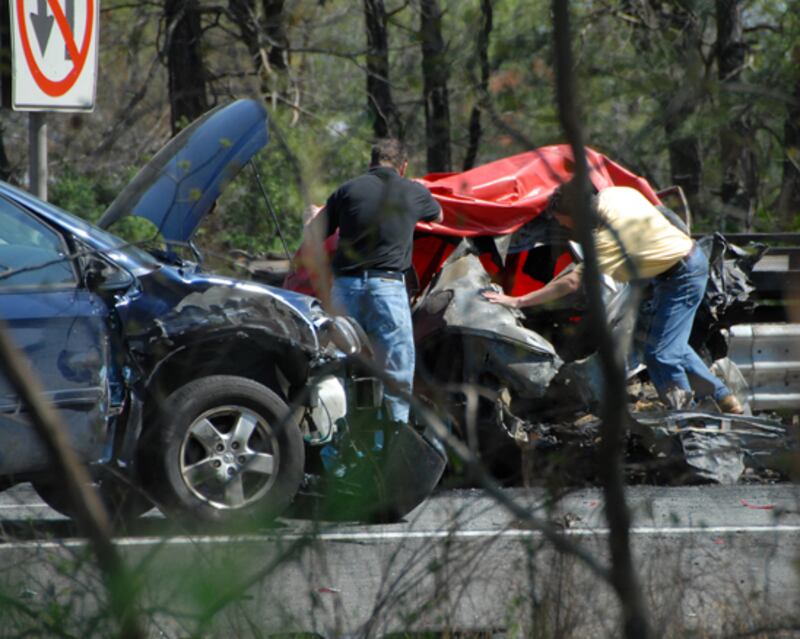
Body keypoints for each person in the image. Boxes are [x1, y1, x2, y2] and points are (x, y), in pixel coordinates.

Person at [482, 180, 744, 414]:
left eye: (562, 221)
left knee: (660, 355)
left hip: (681, 276)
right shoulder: (615, 194)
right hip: (674, 267)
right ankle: (725, 399)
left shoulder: (606, 241)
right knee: (670, 345)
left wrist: (518, 301)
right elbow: (659, 211)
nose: (560, 226)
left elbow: (572, 282)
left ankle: (685, 419)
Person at [316, 138, 443, 423]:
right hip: (388, 289)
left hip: (345, 291)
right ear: (404, 165)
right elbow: (440, 215)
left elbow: (314, 233)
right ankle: (394, 440)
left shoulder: (347, 190)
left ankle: (335, 438)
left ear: (371, 162)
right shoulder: (413, 191)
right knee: (396, 373)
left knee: (338, 369)